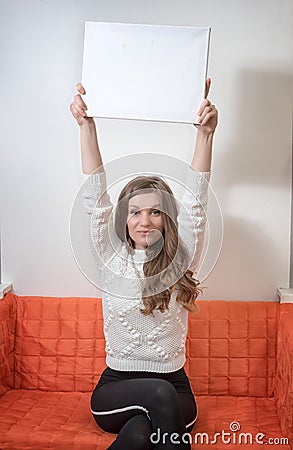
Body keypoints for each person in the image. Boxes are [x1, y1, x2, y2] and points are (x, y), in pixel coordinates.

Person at [70, 79, 218, 449]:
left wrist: (205, 135)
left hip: (176, 392)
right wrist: (87, 127)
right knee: (153, 396)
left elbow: (197, 208)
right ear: (124, 218)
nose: (144, 221)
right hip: (114, 391)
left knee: (140, 433)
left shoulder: (182, 260)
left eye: (155, 212)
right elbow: (95, 200)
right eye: (135, 211)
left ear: (167, 219)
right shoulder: (108, 258)